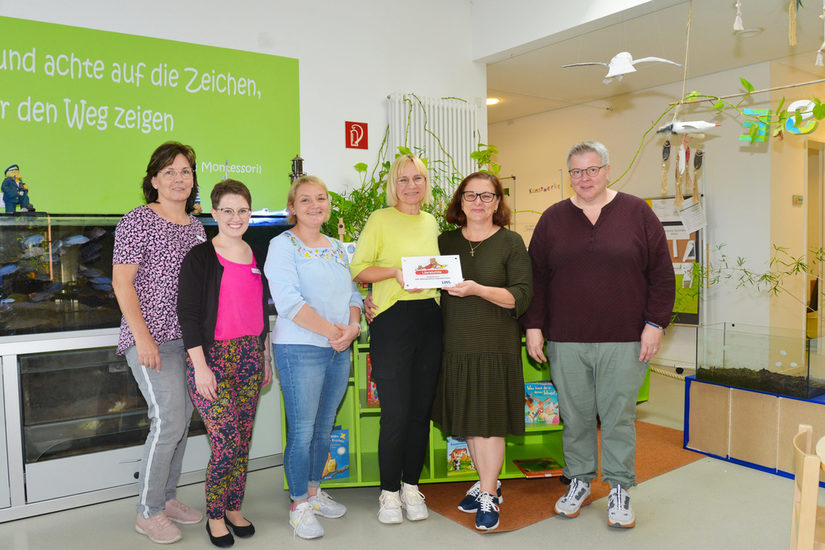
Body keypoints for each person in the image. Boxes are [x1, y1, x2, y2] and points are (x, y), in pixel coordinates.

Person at [521, 141, 675, 529]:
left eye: (592, 169)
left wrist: (655, 324)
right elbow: (536, 278)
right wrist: (534, 326)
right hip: (566, 339)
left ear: (607, 170)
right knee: (575, 417)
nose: (584, 178)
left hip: (625, 339)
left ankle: (620, 487)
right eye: (576, 172)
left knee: (618, 416)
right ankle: (579, 480)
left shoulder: (637, 213)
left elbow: (661, 273)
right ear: (569, 176)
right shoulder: (553, 219)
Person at [112, 141, 206, 544]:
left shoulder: (197, 227)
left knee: (181, 421)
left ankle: (166, 498)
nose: (178, 179)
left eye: (185, 171)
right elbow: (122, 283)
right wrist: (143, 338)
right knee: (168, 420)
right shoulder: (137, 220)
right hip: (149, 338)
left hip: (187, 342)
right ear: (154, 180)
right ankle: (147, 512)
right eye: (169, 172)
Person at [431, 171, 533, 531]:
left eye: (487, 196)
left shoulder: (511, 242)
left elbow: (520, 296)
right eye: (471, 195)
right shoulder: (444, 241)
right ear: (460, 201)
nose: (478, 202)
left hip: (494, 345)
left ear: (497, 202)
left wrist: (477, 289)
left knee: (490, 423)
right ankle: (488, 482)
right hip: (456, 345)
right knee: (471, 422)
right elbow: (424, 282)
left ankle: (489, 493)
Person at [265, 175, 363, 539]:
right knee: (303, 430)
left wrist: (353, 328)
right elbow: (289, 303)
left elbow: (354, 294)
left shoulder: (338, 247)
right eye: (305, 200)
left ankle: (313, 491)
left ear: (329, 206)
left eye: (321, 198)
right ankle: (298, 505)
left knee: (324, 428)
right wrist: (336, 333)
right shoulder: (282, 245)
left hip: (338, 348)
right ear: (292, 207)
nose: (314, 205)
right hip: (299, 349)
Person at [177, 179, 273, 547]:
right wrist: (200, 367)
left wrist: (265, 355)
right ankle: (215, 515)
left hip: (250, 355)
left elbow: (261, 310)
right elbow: (188, 315)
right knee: (226, 440)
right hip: (211, 359)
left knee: (243, 439)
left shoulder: (256, 254)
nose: (236, 217)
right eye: (228, 210)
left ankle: (234, 507)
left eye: (242, 210)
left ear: (250, 213)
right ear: (214, 213)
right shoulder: (200, 257)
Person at [350, 154, 442, 525]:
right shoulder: (380, 219)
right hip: (392, 321)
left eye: (417, 178)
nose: (411, 185)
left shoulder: (431, 221)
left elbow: (436, 270)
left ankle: (411, 487)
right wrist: (394, 272)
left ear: (426, 183)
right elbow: (358, 269)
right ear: (394, 184)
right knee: (396, 413)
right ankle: (389, 492)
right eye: (403, 179)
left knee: (420, 412)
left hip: (430, 319)